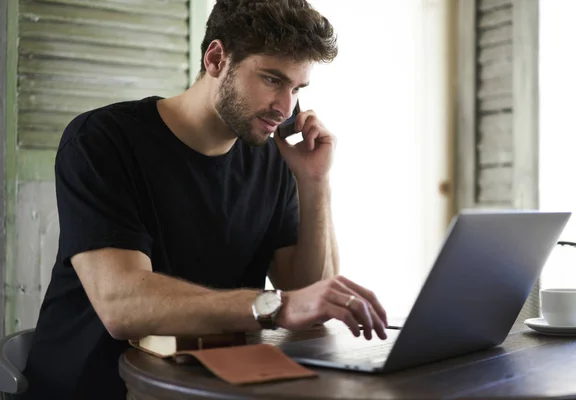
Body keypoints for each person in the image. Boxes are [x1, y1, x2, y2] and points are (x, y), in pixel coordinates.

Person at [23, 1, 388, 398]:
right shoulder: (101, 140)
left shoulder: (274, 156)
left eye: (296, 89)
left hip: (213, 387)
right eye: (271, 80)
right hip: (94, 388)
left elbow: (309, 296)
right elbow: (121, 305)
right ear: (216, 58)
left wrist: (314, 181)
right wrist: (275, 307)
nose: (284, 108)